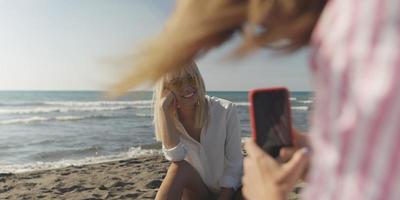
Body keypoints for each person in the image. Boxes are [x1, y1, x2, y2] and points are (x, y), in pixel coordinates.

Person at [113, 0, 400, 199]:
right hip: (201, 190)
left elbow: (235, 166)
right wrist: (322, 157)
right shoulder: (350, 24)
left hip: (230, 190)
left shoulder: (356, 26)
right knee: (180, 169)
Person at [152, 62, 243, 200]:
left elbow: (235, 163)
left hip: (233, 191)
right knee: (178, 168)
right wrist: (163, 109)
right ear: (166, 90)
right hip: (199, 191)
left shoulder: (225, 110)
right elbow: (175, 156)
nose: (186, 87)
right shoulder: (170, 120)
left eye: (191, 78)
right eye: (177, 82)